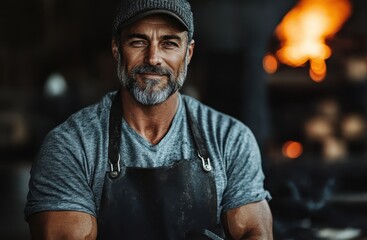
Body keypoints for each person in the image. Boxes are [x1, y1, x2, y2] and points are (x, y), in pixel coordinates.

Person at [24, 0, 273, 239]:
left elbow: (256, 233)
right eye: (138, 41)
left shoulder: (230, 139)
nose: (153, 58)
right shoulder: (71, 146)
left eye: (169, 43)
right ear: (116, 48)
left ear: (188, 53)